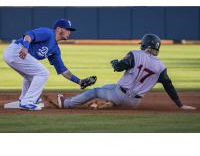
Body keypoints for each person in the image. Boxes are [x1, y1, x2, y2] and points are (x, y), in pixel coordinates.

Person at [55, 34, 196, 111]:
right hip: (135, 103)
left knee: (96, 91)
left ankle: (66, 103)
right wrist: (180, 105)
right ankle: (109, 103)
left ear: (144, 44)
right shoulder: (161, 67)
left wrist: (115, 63)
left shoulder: (136, 54)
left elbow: (120, 67)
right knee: (110, 86)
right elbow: (169, 86)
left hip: (119, 94)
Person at [3, 19, 97, 111]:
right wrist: (25, 47)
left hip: (15, 55)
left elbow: (62, 70)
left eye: (70, 30)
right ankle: (27, 102)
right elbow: (29, 34)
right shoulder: (48, 33)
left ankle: (23, 100)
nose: (69, 32)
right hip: (16, 50)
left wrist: (79, 81)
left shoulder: (55, 49)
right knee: (43, 73)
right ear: (59, 29)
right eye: (67, 29)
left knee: (31, 76)